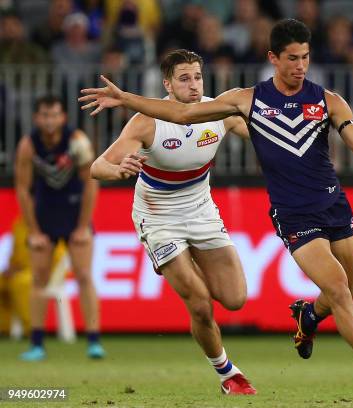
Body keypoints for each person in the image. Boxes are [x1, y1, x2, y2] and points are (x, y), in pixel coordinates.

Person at [79, 19, 353, 397]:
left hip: (294, 206)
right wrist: (124, 105)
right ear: (273, 58)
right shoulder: (230, 104)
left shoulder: (325, 101)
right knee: (211, 300)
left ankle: (308, 316)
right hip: (184, 216)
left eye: (305, 57)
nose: (301, 65)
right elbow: (164, 126)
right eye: (293, 58)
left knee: (333, 296)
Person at [88, 49, 256, 395]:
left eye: (197, 77)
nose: (193, 85)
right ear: (167, 84)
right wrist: (117, 170)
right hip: (158, 216)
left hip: (201, 211)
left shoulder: (219, 112)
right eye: (184, 78)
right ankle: (228, 374)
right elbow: (97, 166)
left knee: (236, 298)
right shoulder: (146, 121)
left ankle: (179, 261)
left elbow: (265, 138)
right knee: (199, 302)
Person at [14, 95, 104, 360]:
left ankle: (94, 342)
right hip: (45, 215)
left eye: (54, 115)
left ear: (63, 117)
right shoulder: (28, 145)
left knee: (84, 276)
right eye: (44, 115)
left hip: (75, 212)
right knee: (39, 279)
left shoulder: (77, 141)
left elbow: (91, 182)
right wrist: (33, 231)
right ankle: (37, 344)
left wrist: (83, 226)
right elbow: (22, 189)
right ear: (36, 118)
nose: (50, 120)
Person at [0, 216, 68, 338]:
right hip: (21, 270)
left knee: (22, 282)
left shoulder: (52, 224)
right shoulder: (19, 225)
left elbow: (59, 258)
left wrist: (42, 270)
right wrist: (11, 268)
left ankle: (32, 328)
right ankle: (4, 328)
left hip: (44, 272)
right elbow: (15, 255)